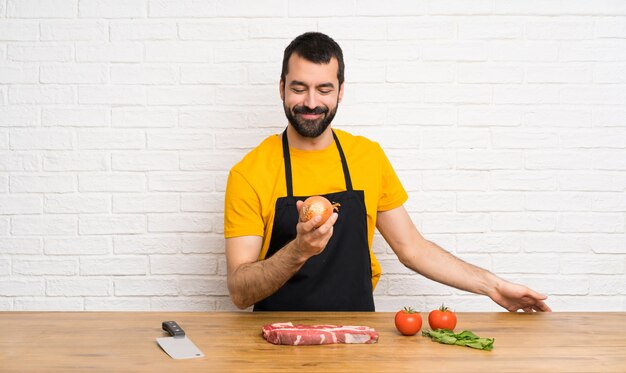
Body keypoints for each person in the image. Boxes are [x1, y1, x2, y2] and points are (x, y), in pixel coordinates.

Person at [224, 32, 551, 313]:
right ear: (281, 88)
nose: (311, 102)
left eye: (324, 89)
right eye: (299, 88)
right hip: (276, 343)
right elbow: (240, 291)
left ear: (340, 91)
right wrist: (299, 250)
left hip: (358, 339)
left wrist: (493, 287)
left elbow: (413, 249)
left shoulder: (367, 157)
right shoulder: (250, 173)